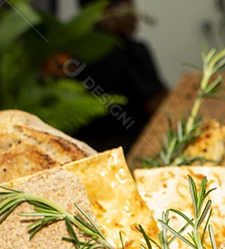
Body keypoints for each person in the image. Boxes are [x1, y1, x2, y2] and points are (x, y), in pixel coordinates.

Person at [72, 0, 168, 152]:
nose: (136, 20)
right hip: (139, 149)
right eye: (131, 13)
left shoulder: (69, 58)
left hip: (91, 155)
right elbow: (160, 106)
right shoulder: (129, 52)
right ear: (110, 16)